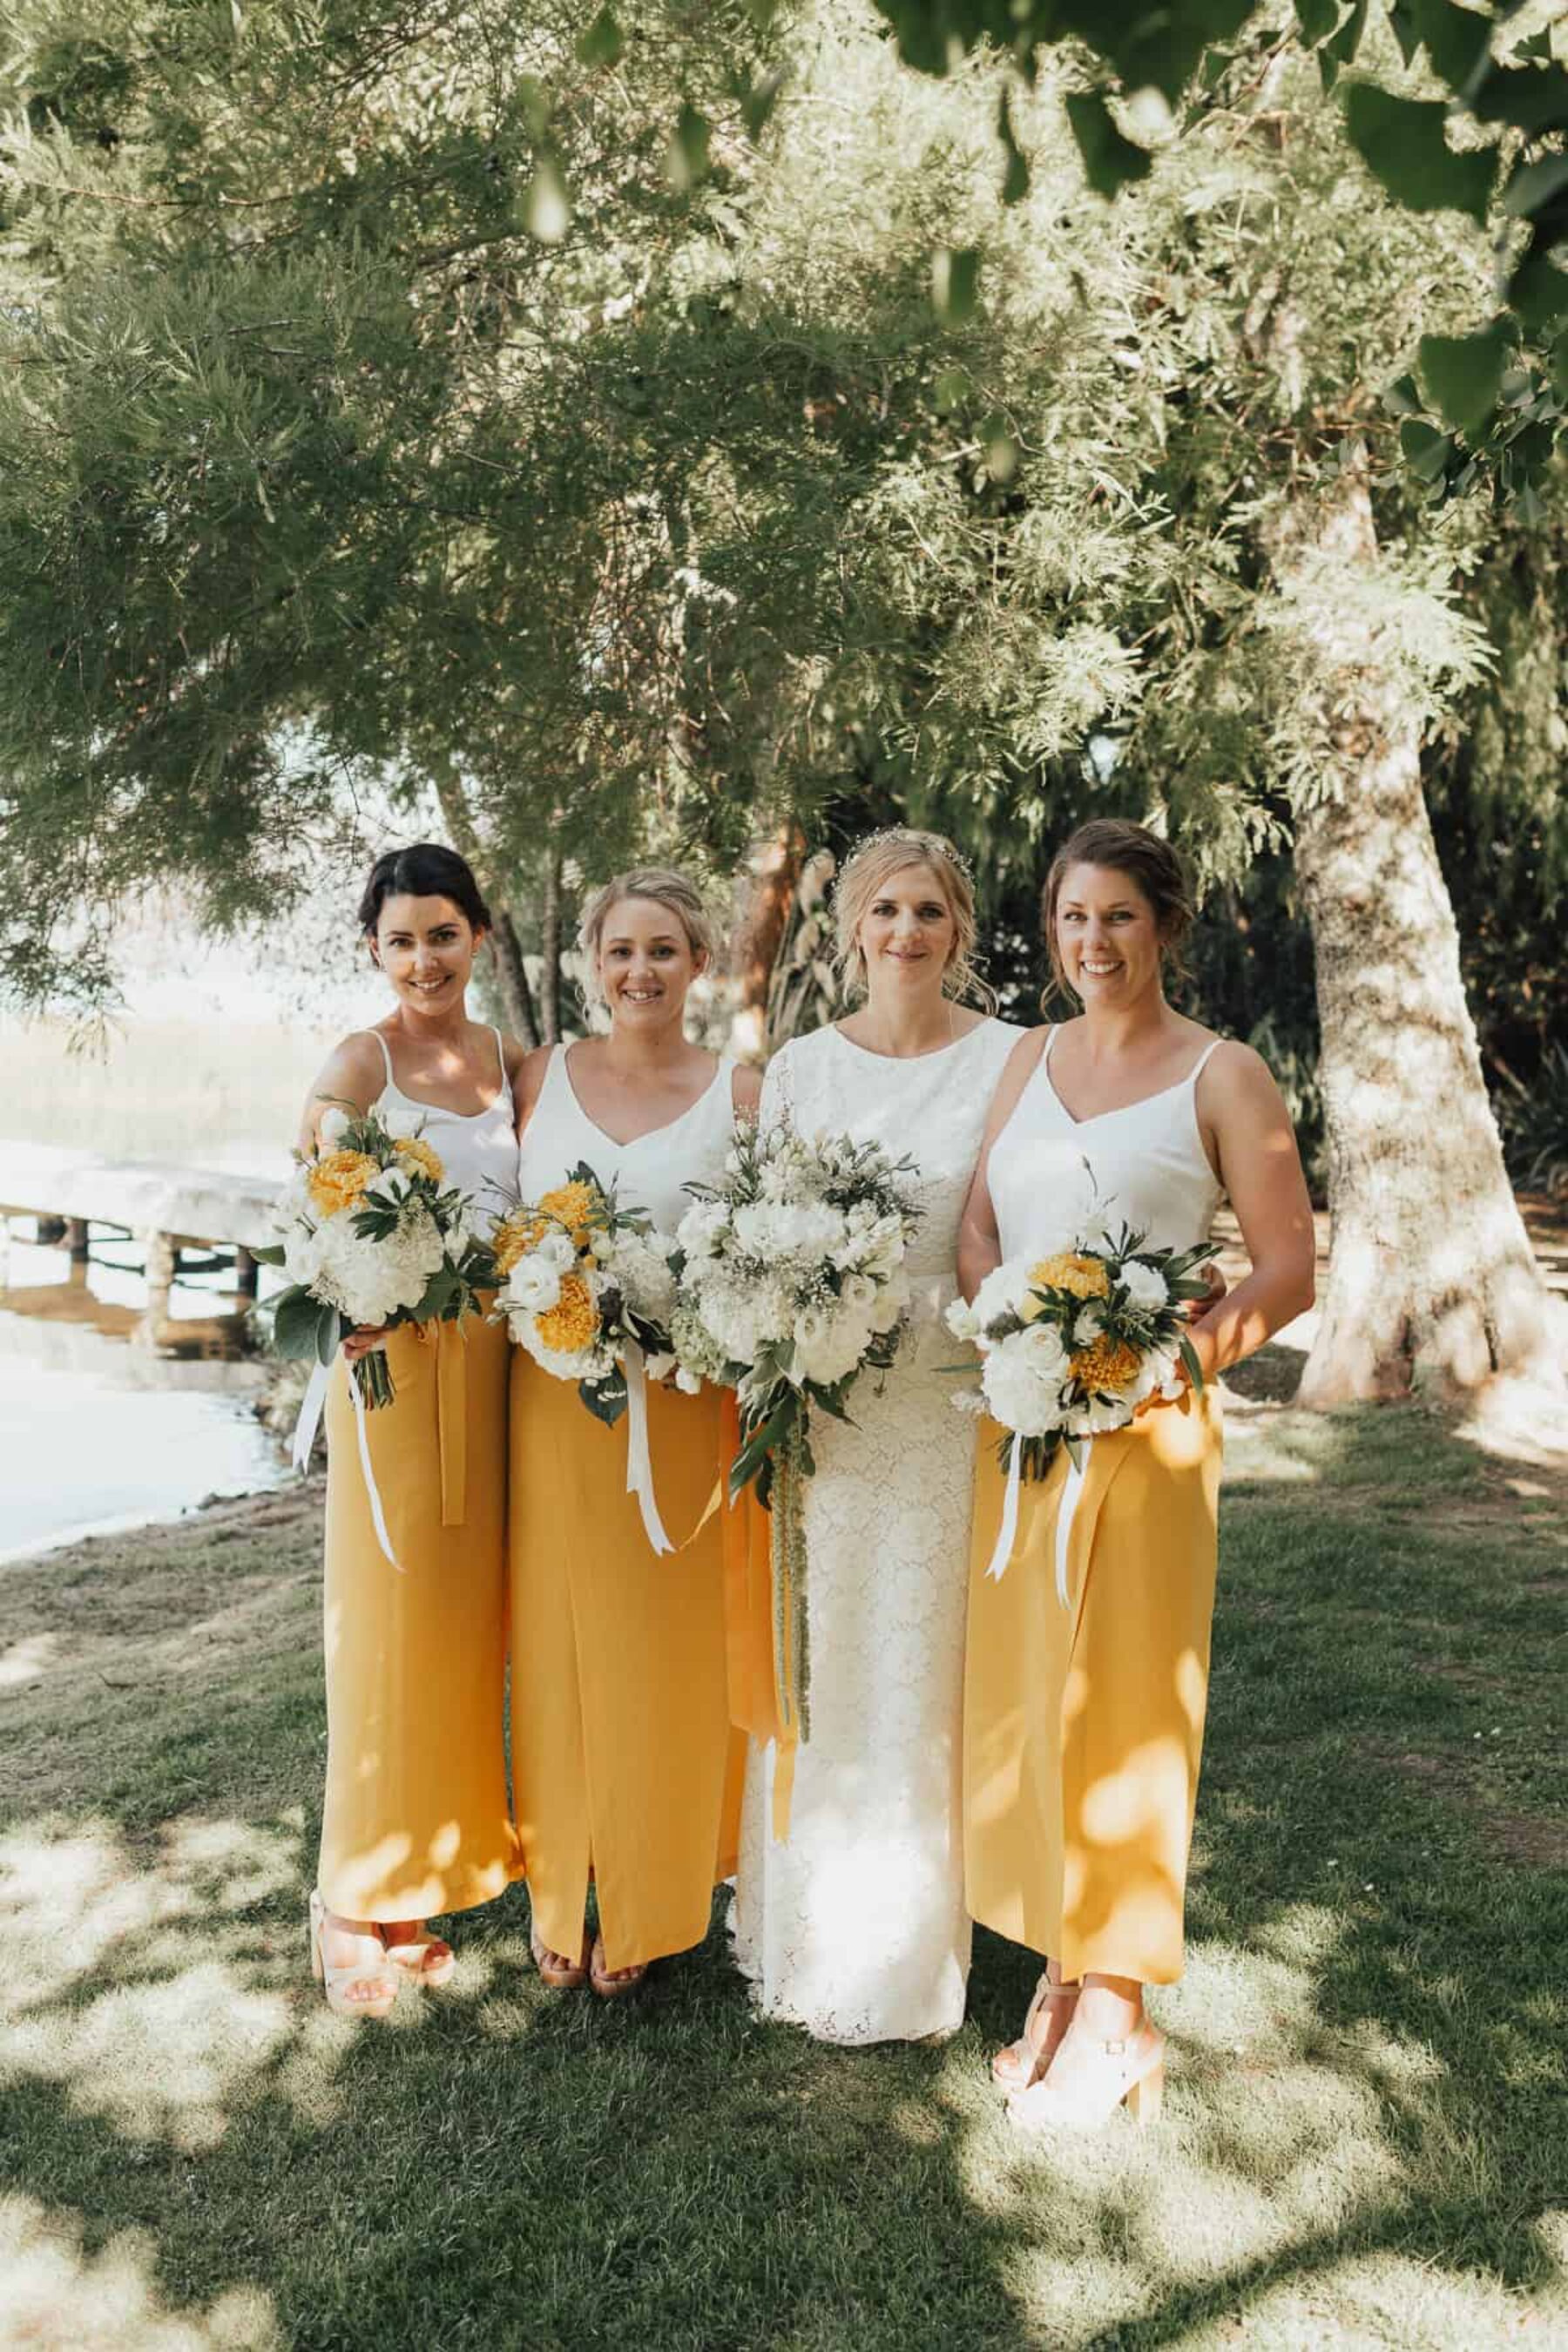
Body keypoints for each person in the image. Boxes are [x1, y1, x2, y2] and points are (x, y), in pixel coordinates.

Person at [957, 817, 1316, 2130]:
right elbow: (985, 1227)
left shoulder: (1223, 1076)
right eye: (1071, 919)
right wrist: (1013, 1339)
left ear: (1165, 925)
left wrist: (1171, 1362)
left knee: (1125, 1709)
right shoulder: (1029, 1060)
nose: (1092, 942)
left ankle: (1116, 2007)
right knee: (1034, 1695)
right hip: (1023, 1427)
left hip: (1149, 1432)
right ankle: (1063, 1964)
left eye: (1118, 917)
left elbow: (1286, 1271)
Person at [732, 828, 1024, 2043]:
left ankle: (913, 1947)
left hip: (949, 1405)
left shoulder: (1016, 1059)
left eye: (931, 913)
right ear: (848, 929)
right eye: (886, 911)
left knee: (928, 1662)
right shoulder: (800, 1069)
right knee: (828, 1653)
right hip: (829, 1409)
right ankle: (805, 1922)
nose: (907, 933)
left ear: (960, 931)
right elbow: (758, 1231)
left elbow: (1012, 1226)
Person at [509, 868, 758, 1998]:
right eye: (619, 951)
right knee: (560, 1655)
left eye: (663, 950)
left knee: (668, 1660)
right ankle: (564, 1888)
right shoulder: (534, 1078)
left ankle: (656, 1901)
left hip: (683, 1407)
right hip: (553, 1411)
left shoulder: (739, 1092)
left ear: (698, 963)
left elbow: (761, 1256)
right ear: (591, 962)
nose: (639, 972)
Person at [302, 842, 524, 2017]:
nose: (425, 958)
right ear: (373, 951)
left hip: (496, 1369)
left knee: (459, 1626)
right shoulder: (360, 1062)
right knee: (386, 1623)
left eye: (444, 933)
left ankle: (418, 1884)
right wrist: (352, 1290)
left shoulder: (511, 1063)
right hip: (393, 1371)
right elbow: (316, 1200)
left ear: (478, 936)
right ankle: (349, 1895)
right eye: (402, 940)